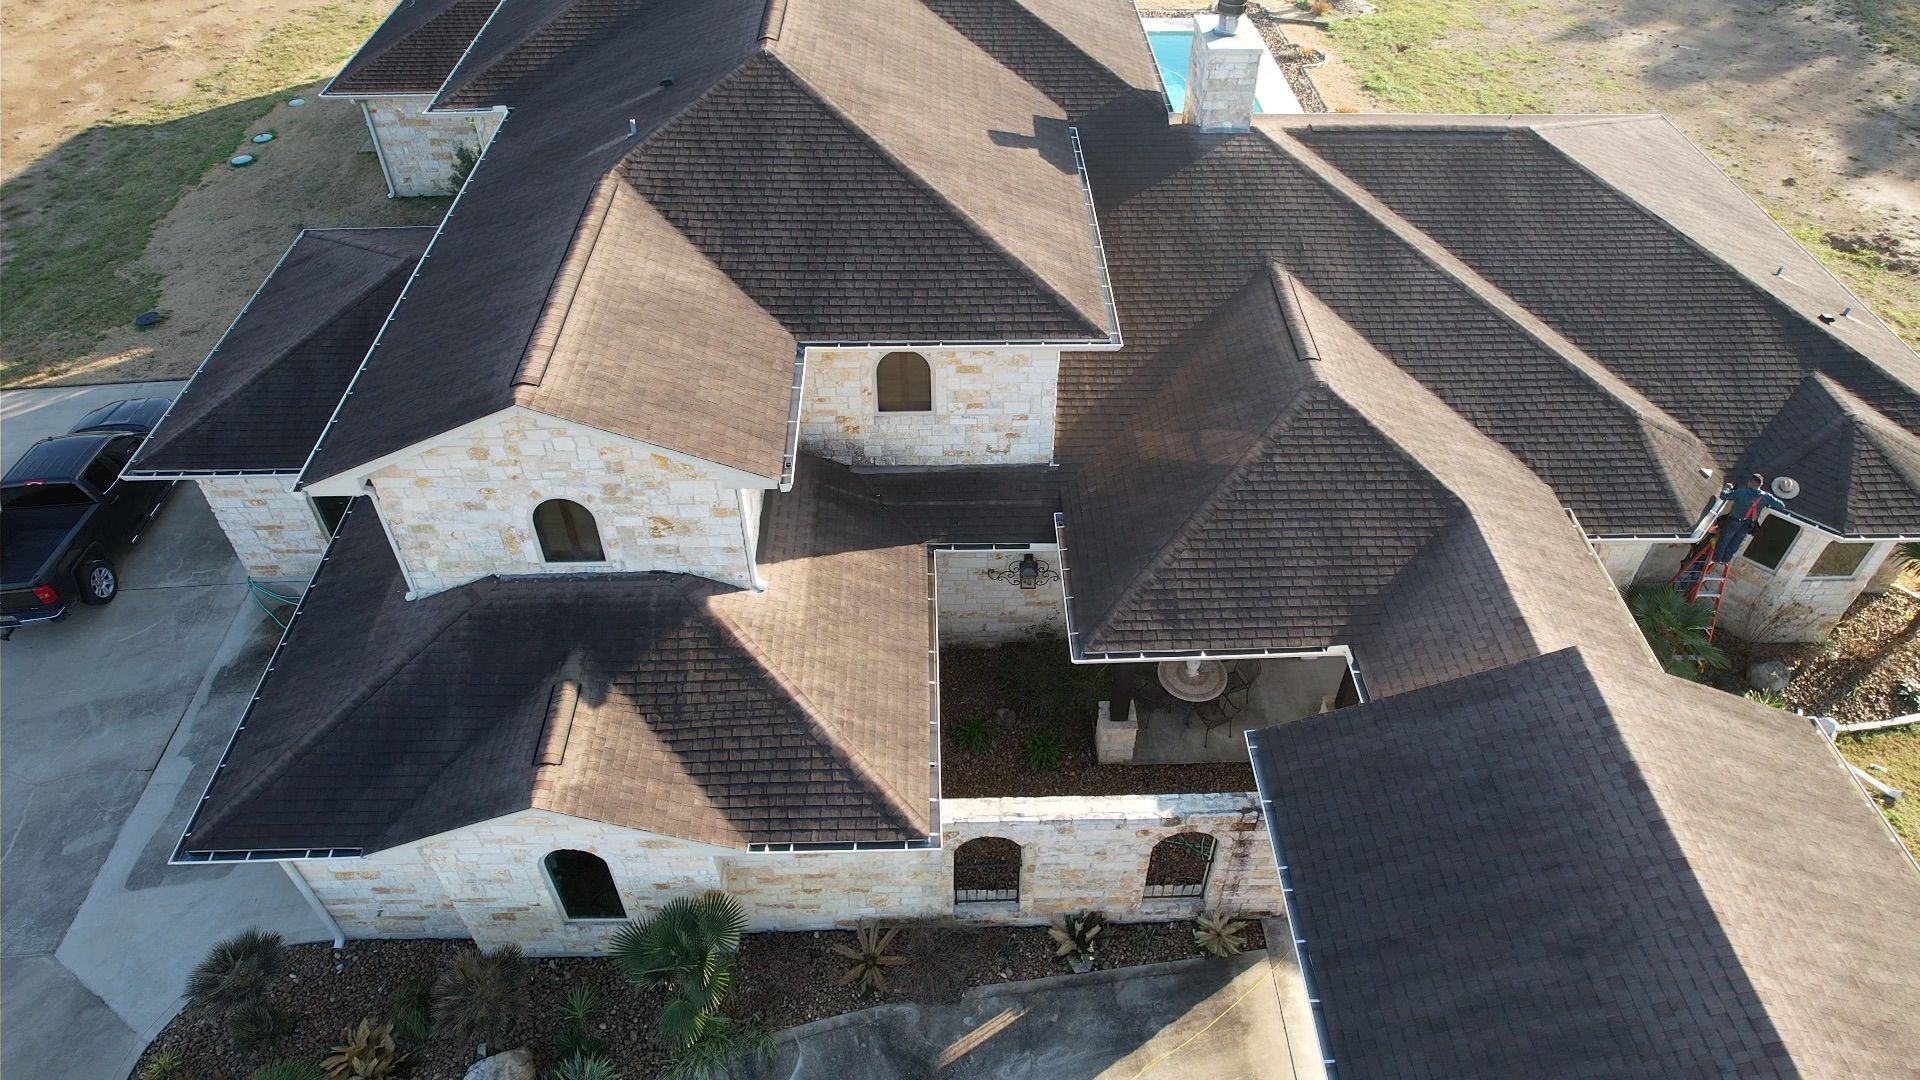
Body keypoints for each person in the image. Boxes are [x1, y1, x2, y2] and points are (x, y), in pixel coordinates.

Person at [1712, 474, 1787, 563]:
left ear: (1750, 482)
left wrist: (1727, 488)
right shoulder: (1766, 497)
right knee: (1736, 542)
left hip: (1734, 521)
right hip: (1748, 525)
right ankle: (1725, 560)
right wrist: (1767, 503)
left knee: (1724, 540)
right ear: (1761, 485)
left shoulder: (1741, 492)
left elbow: (1724, 496)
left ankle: (1716, 558)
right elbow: (1781, 506)